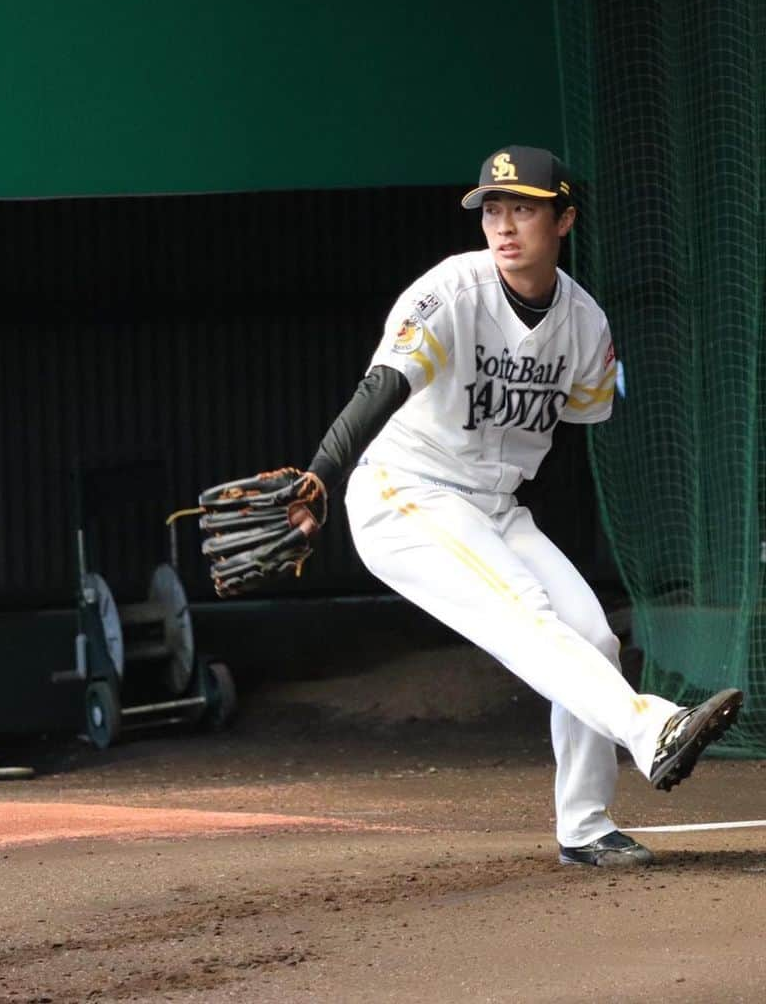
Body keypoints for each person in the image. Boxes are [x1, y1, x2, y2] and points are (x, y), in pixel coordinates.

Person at [298, 145, 742, 868]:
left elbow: (588, 407)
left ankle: (586, 825)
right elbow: (381, 384)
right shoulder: (452, 289)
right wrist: (320, 472)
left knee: (593, 640)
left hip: (494, 507)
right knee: (526, 613)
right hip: (406, 490)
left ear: (563, 219)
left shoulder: (584, 322)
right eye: (493, 209)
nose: (504, 225)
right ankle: (652, 728)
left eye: (525, 208)